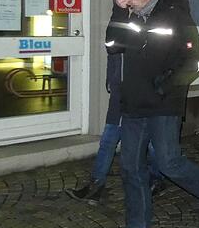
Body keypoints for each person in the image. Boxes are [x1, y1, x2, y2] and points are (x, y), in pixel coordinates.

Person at [102, 0, 199, 228]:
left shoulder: (174, 13)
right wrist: (118, 11)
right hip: (133, 104)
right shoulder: (131, 16)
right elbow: (111, 44)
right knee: (131, 167)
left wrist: (164, 86)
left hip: (163, 104)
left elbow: (195, 62)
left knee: (169, 162)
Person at [65, 53, 164, 205]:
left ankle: (156, 178)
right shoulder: (115, 30)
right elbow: (112, 55)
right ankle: (96, 184)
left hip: (140, 94)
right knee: (109, 140)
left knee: (148, 140)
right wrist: (110, 80)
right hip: (120, 94)